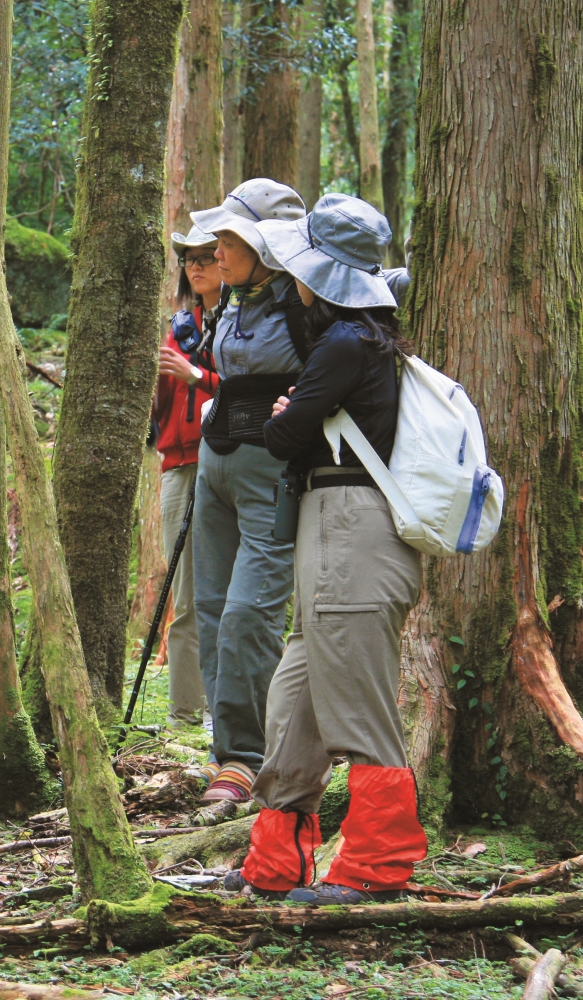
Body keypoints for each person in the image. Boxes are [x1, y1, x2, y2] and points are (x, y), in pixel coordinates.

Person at [222, 193, 425, 904]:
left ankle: (377, 868)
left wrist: (288, 415)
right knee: (297, 699)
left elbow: (282, 436)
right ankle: (274, 861)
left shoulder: (346, 344)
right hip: (329, 527)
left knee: (357, 705)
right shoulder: (356, 337)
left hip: (354, 533)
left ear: (322, 274)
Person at [187, 178, 308, 802]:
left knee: (247, 614)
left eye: (231, 239)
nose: (218, 250)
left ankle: (251, 755)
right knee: (211, 610)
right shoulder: (234, 299)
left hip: (273, 474)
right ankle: (226, 751)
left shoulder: (303, 301)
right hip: (216, 465)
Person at [152, 225, 222, 731]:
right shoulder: (179, 327)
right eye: (187, 259)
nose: (195, 266)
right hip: (179, 465)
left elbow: (253, 389)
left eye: (205, 257)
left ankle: (232, 716)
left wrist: (198, 376)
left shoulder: (249, 323)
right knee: (187, 597)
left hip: (228, 461)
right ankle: (183, 718)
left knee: (232, 595)